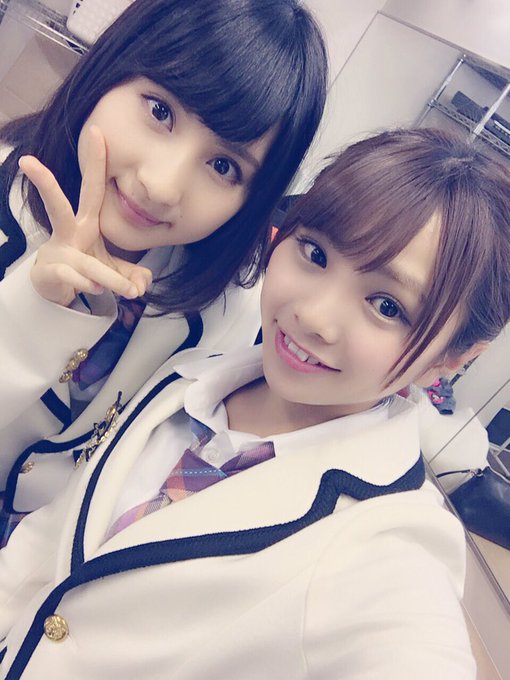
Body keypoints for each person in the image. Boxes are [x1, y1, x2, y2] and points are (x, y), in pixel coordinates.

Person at [3, 127, 507, 678]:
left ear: (451, 359)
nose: (313, 316)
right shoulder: (191, 380)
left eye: (386, 305)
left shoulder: (386, 552)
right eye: (315, 253)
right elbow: (49, 547)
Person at [0, 0, 328, 539]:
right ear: (113, 66)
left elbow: (183, 464)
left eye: (222, 165)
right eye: (160, 112)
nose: (162, 185)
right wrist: (34, 312)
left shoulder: (231, 316)